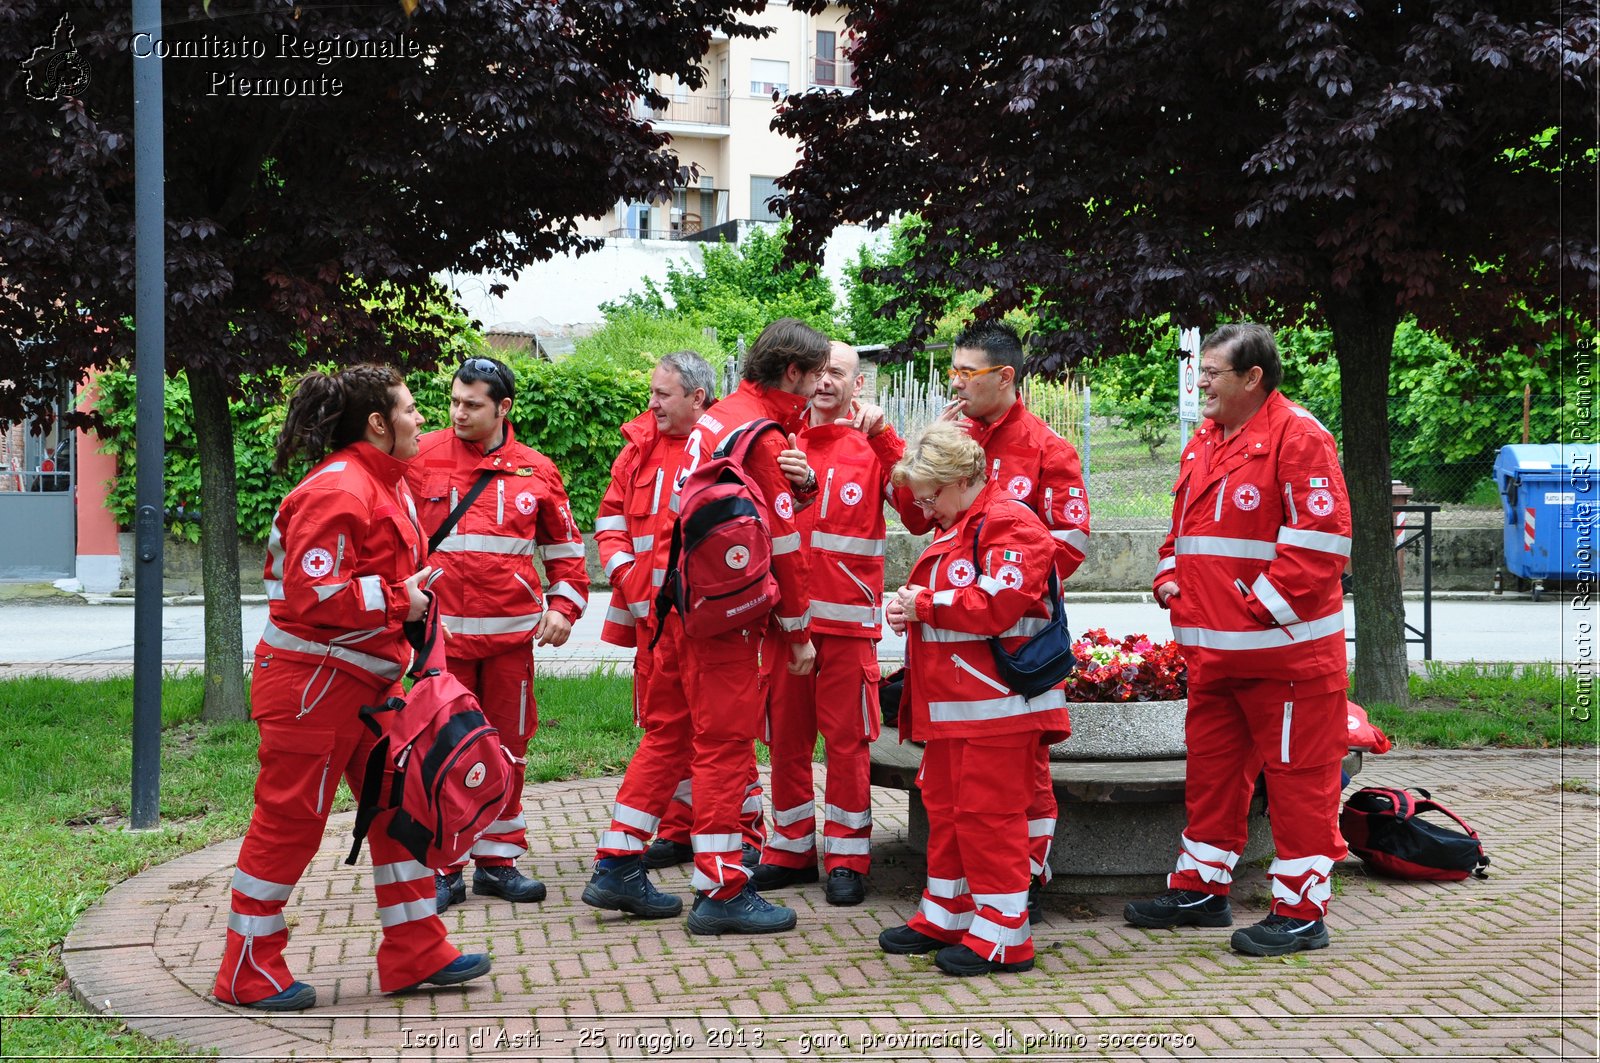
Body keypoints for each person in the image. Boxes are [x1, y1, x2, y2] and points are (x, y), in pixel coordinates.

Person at [213, 364, 487, 1011]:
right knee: (288, 825)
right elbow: (315, 593)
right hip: (314, 689)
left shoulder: (380, 483)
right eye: (412, 408)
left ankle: (417, 948)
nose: (423, 419)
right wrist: (403, 599)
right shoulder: (340, 489)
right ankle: (245, 967)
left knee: (402, 808)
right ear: (376, 422)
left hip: (361, 686)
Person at [584, 317, 824, 936]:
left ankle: (616, 863)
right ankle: (721, 889)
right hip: (723, 625)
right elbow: (785, 550)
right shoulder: (762, 435)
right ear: (791, 372)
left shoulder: (720, 421)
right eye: (814, 378)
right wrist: (798, 636)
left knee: (667, 736)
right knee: (723, 746)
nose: (815, 393)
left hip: (676, 610)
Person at [1123, 323, 1353, 957]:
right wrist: (1169, 573)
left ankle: (1302, 913)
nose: (1201, 384)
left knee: (1299, 784)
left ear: (1254, 378)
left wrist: (1255, 610)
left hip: (1285, 661)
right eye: (1200, 373)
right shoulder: (1206, 439)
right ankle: (1201, 889)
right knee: (1214, 775)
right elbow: (1187, 533)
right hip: (1216, 655)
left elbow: (1321, 545)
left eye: (1212, 373)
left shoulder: (1300, 436)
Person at [877, 422, 1071, 976]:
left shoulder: (1010, 521)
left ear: (962, 479)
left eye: (930, 495)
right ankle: (949, 910)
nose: (924, 509)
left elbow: (999, 602)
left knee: (989, 816)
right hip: (960, 707)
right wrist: (913, 610)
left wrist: (925, 606)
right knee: (947, 808)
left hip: (999, 708)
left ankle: (1005, 934)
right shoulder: (966, 522)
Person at [406, 356, 589, 914]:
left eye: (472, 405)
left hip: (512, 642)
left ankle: (499, 862)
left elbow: (567, 553)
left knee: (509, 748)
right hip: (442, 642)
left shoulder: (537, 470)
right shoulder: (419, 459)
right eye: (454, 402)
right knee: (444, 751)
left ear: (503, 408)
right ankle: (442, 866)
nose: (458, 413)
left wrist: (563, 607)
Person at [589, 352, 764, 887]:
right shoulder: (637, 448)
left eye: (662, 394)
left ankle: (743, 832)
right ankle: (687, 835)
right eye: (651, 392)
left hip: (702, 618)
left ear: (697, 397)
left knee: (714, 731)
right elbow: (609, 517)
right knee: (676, 728)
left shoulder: (724, 445)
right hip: (655, 617)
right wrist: (630, 581)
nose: (651, 403)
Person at [752, 340, 916, 906]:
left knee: (847, 745)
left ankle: (848, 856)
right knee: (786, 740)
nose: (825, 382)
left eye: (838, 373)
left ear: (858, 385)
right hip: (786, 623)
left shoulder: (872, 444)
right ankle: (791, 848)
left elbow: (919, 514)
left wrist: (886, 440)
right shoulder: (778, 440)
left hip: (848, 628)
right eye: (818, 372)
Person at [936, 320, 1090, 912]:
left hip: (1018, 645)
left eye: (965, 373)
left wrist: (998, 587)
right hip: (958, 642)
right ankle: (976, 888)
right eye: (953, 371)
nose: (956, 384)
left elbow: (1069, 545)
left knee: (1025, 768)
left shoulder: (1049, 448)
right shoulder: (954, 436)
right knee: (968, 777)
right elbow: (920, 513)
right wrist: (930, 444)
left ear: (1005, 377)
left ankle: (1020, 882)